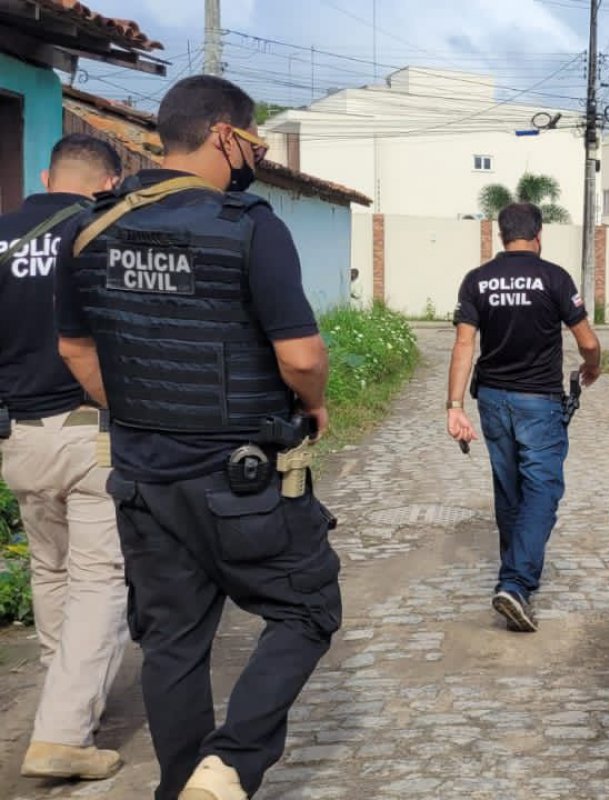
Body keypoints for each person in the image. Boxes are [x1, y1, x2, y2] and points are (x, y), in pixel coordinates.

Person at [54, 75, 341, 800]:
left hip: (144, 478)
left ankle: (182, 783)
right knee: (306, 608)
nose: (252, 154)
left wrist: (151, 413)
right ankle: (231, 764)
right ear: (223, 134)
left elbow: (76, 352)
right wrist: (315, 405)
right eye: (251, 140)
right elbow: (301, 355)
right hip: (240, 478)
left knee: (173, 642)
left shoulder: (90, 228)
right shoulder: (248, 225)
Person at [0, 135, 127, 781]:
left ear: (47, 175)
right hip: (87, 426)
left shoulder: (1, 233)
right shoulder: (101, 235)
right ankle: (63, 730)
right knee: (99, 580)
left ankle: (65, 694)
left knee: (49, 570)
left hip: (15, 435)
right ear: (108, 183)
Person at [446, 202, 601, 633]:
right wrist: (594, 364)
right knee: (543, 490)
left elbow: (463, 346)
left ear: (500, 236)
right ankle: (515, 583)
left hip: (492, 400)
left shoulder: (477, 281)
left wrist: (454, 406)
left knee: (510, 488)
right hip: (539, 401)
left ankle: (513, 580)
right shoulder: (554, 278)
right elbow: (587, 340)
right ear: (538, 235)